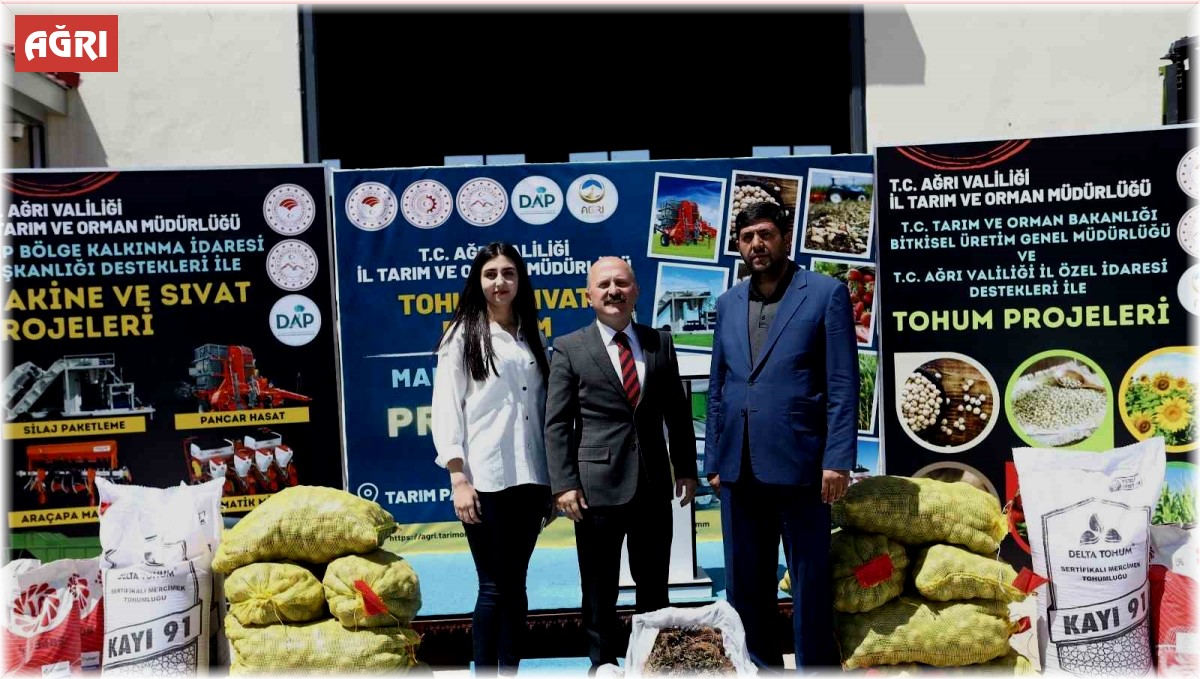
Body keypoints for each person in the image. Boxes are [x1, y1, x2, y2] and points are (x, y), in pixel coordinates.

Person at [704, 201, 858, 671]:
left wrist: (837, 459)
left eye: (766, 234)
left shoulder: (825, 293)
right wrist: (713, 459)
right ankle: (761, 667)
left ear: (784, 237)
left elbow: (842, 383)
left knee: (809, 582)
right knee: (745, 584)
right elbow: (719, 385)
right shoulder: (728, 302)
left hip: (803, 466)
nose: (757, 245)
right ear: (738, 245)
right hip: (738, 468)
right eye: (748, 237)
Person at [544, 256, 698, 673]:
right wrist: (564, 485)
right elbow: (556, 423)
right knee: (598, 585)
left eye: (622, 283)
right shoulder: (570, 347)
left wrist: (685, 467)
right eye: (604, 284)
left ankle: (653, 658)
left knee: (653, 582)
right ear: (589, 295)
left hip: (651, 482)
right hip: (595, 489)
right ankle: (602, 660)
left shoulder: (659, 343)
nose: (613, 291)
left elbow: (677, 414)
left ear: (636, 291)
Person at [431, 242, 553, 676]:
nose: (499, 282)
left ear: (520, 280)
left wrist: (553, 483)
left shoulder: (530, 333)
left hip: (532, 477)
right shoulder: (461, 335)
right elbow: (447, 409)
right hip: (485, 479)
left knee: (517, 585)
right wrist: (458, 478)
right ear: (478, 281)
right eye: (490, 274)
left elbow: (541, 411)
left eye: (508, 273)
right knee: (493, 586)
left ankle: (511, 669)